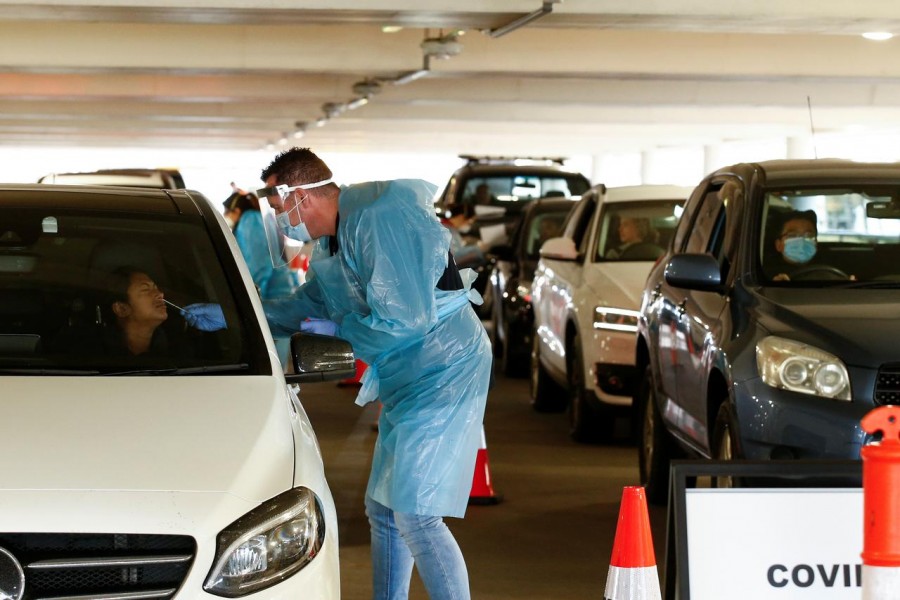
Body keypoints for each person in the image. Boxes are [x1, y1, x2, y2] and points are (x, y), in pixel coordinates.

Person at [257, 147, 492, 600]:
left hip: (444, 368)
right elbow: (311, 303)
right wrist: (247, 315)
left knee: (416, 515)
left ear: (301, 196)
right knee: (384, 509)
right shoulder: (334, 240)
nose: (279, 220)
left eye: (277, 207)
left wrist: (340, 331)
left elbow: (405, 320)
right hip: (408, 375)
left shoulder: (380, 217)